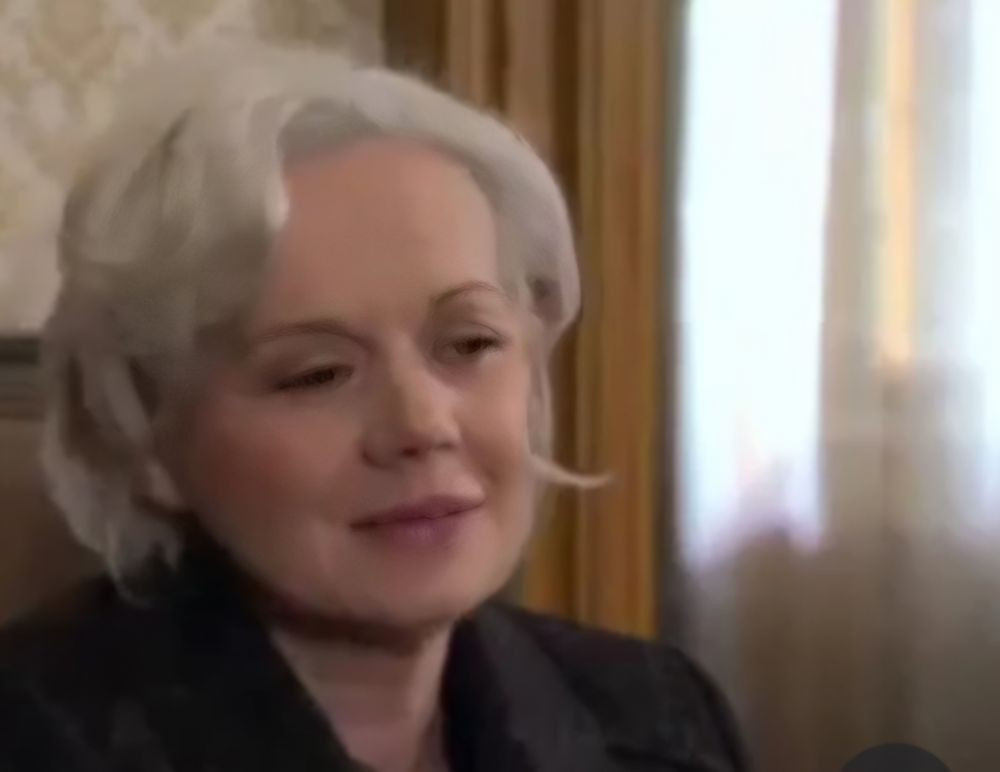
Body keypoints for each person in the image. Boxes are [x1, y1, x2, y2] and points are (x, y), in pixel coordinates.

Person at [0, 46, 748, 772]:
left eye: (469, 343)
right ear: (147, 436)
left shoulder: (656, 716)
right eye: (319, 374)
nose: (423, 424)